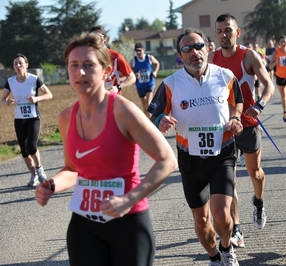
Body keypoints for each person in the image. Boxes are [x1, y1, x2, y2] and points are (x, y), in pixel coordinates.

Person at [34, 32, 177, 266]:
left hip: (128, 223)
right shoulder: (66, 117)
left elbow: (167, 160)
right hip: (84, 225)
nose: (80, 72)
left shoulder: (123, 111)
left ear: (107, 71)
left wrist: (129, 199)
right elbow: (72, 169)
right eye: (74, 65)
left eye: (89, 65)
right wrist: (52, 185)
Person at [148, 27, 243, 266]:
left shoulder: (225, 76)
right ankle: (213, 258)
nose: (194, 52)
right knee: (201, 220)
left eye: (199, 46)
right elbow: (152, 115)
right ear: (180, 55)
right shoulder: (170, 83)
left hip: (222, 153)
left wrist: (236, 119)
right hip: (190, 158)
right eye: (187, 49)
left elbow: (237, 102)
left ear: (208, 48)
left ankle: (226, 248)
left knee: (221, 214)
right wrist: (161, 119)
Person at [209, 13, 275, 248]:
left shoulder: (248, 56)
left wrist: (260, 105)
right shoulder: (210, 58)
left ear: (238, 32)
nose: (224, 35)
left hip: (247, 125)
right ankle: (236, 229)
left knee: (255, 172)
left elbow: (269, 84)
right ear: (215, 35)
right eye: (219, 31)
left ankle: (258, 202)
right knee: (230, 181)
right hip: (223, 129)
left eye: (228, 30)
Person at [1, 53, 53, 186]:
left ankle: (39, 168)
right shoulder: (11, 82)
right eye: (15, 64)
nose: (18, 66)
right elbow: (3, 99)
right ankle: (33, 176)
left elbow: (49, 94)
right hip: (19, 119)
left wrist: (37, 98)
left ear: (26, 65)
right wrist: (6, 102)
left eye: (20, 63)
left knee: (31, 146)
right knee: (24, 150)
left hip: (33, 117)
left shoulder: (34, 79)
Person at [89, 25, 135, 94]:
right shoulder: (87, 58)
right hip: (96, 99)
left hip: (114, 99)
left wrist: (118, 87)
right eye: (93, 37)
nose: (96, 40)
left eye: (98, 36)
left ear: (105, 39)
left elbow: (132, 77)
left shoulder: (116, 56)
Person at [269, 35, 286, 125]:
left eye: (285, 42)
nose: (283, 43)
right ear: (279, 43)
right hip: (280, 76)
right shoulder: (276, 52)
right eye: (282, 42)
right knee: (283, 98)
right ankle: (285, 111)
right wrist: (277, 61)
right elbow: (270, 66)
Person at [130, 42, 160, 117]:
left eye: (140, 50)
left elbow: (157, 63)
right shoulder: (133, 61)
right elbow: (129, 70)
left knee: (148, 102)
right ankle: (146, 119)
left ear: (144, 50)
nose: (138, 52)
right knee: (144, 105)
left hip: (150, 84)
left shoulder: (149, 58)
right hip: (140, 85)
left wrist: (155, 72)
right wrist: (134, 74)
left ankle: (150, 121)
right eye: (137, 51)